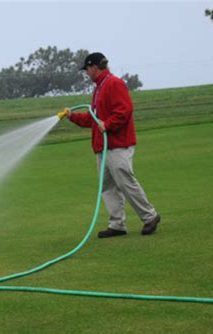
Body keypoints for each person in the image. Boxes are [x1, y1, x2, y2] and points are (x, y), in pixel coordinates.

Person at [63, 52, 160, 238]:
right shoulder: (98, 88)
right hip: (103, 147)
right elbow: (93, 119)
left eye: (87, 69)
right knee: (107, 186)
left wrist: (107, 124)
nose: (86, 73)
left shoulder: (114, 83)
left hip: (118, 144)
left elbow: (124, 111)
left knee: (125, 181)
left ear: (94, 67)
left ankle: (150, 216)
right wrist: (72, 117)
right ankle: (117, 224)